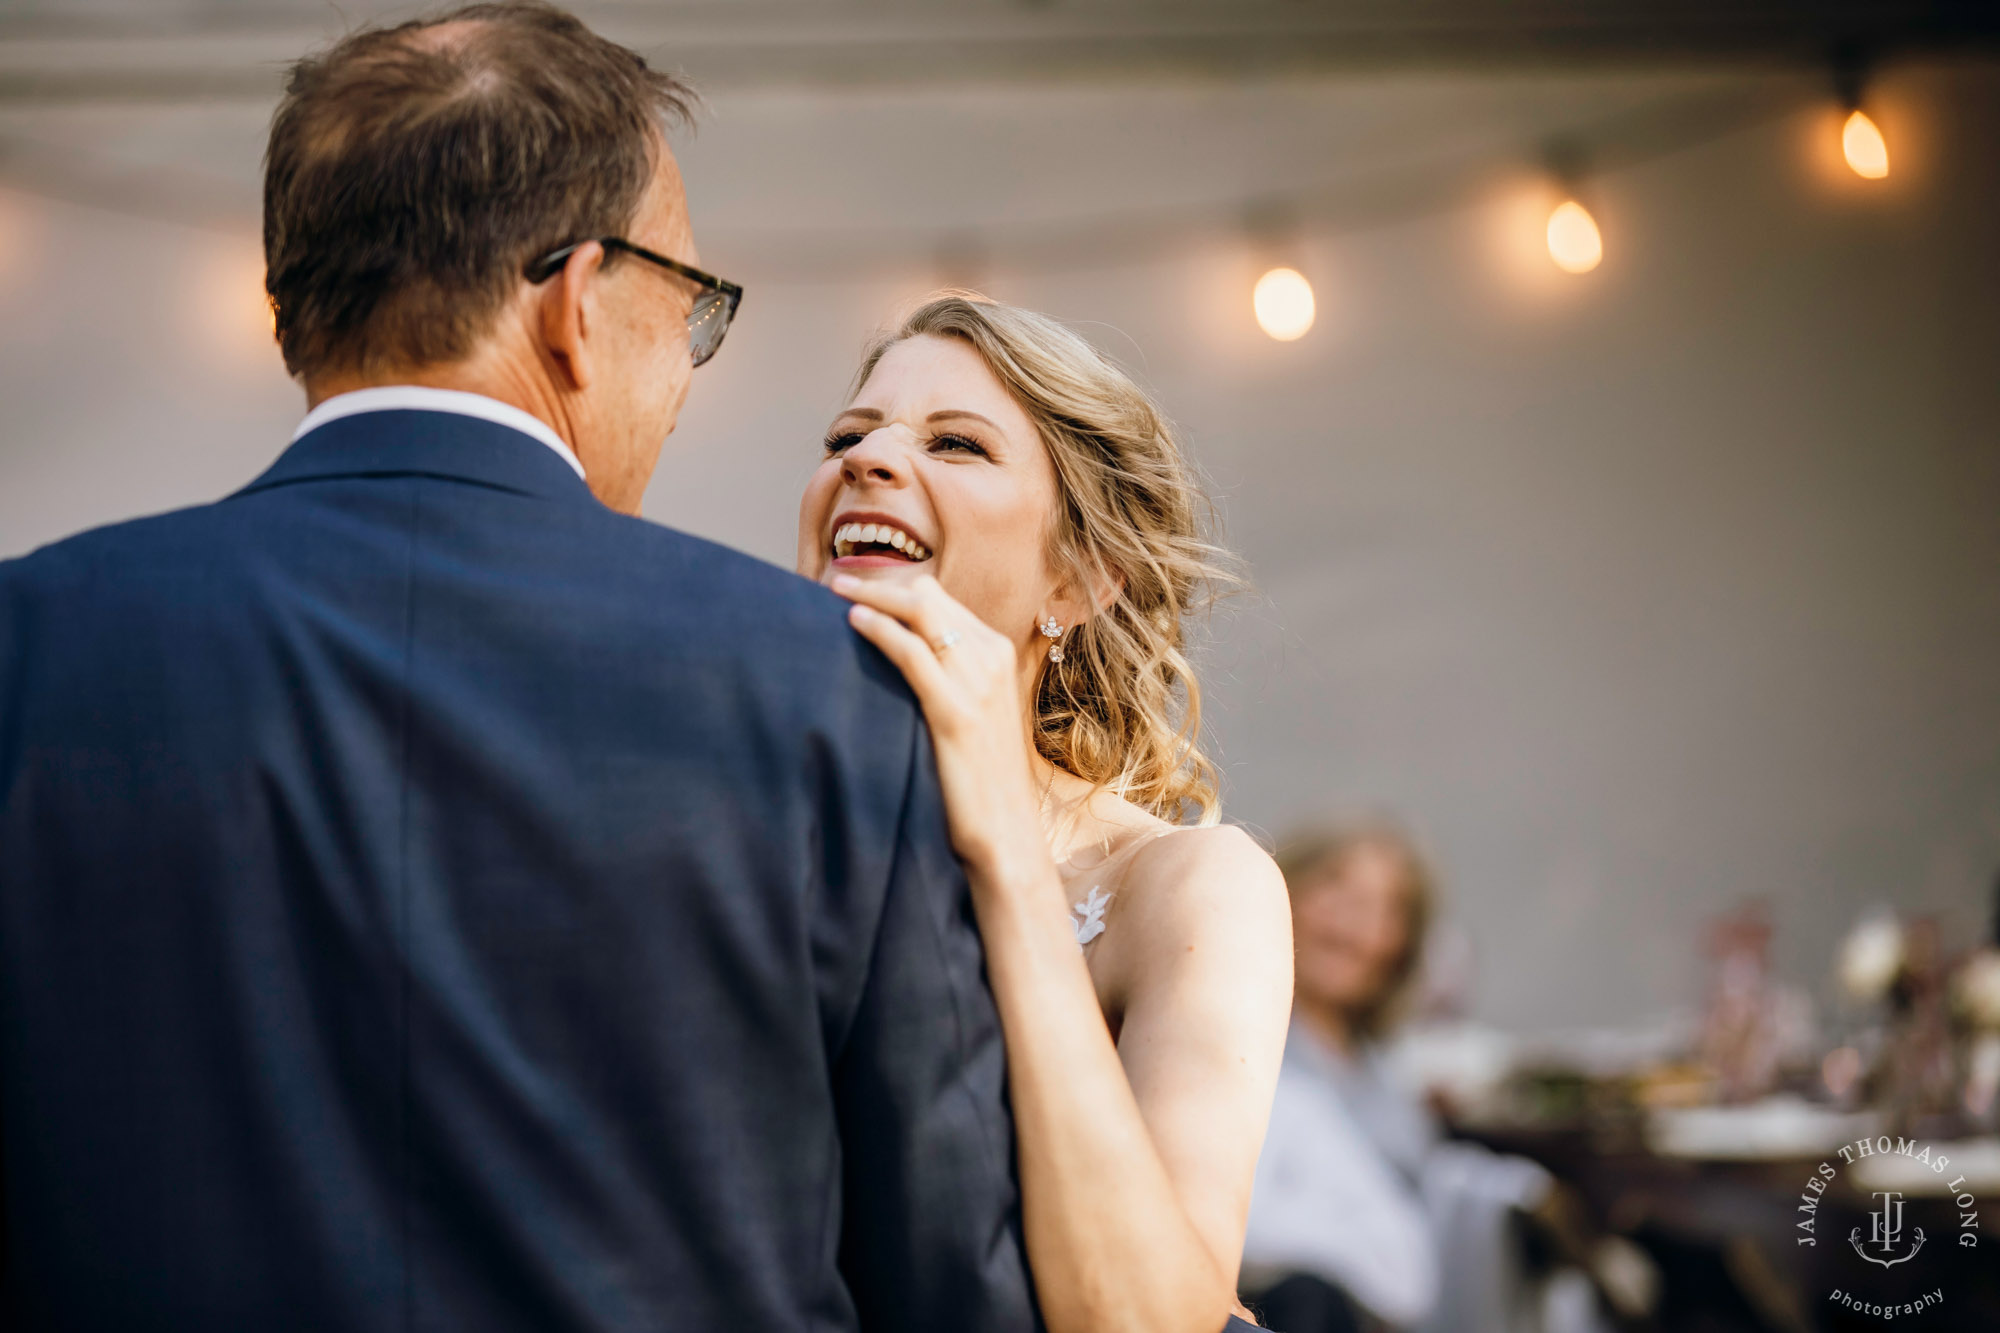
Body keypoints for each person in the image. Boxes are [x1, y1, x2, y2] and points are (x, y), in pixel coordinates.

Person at [0, 6, 1038, 1330]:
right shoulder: (831, 693)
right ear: (575, 304)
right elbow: (945, 1285)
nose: (684, 368)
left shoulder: (27, 650)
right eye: (690, 306)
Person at [796, 296, 1296, 1333]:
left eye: (954, 443)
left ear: (1075, 578)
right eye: (849, 435)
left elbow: (1159, 1320)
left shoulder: (1187, 887)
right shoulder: (747, 838)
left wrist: (1005, 854)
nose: (868, 459)